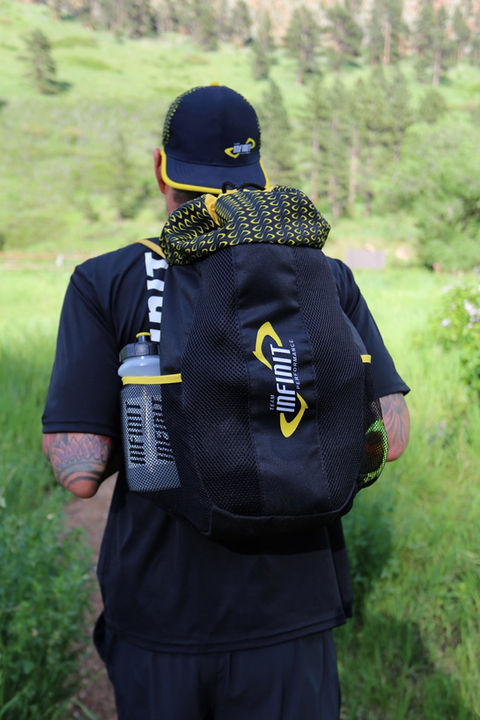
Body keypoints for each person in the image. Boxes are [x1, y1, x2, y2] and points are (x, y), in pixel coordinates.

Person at [42, 84, 410, 720]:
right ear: (257, 173)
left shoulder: (107, 280)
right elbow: (392, 437)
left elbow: (80, 474)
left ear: (162, 168)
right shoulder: (324, 275)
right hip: (295, 613)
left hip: (161, 613)